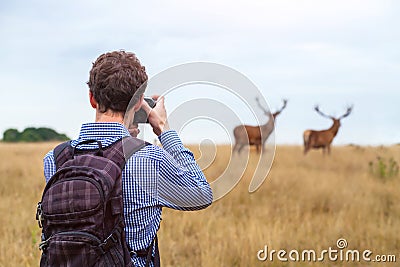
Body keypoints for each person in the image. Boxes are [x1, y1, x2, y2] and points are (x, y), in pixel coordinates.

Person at [43, 50, 213, 266]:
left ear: (92, 98)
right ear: (139, 101)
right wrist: (163, 129)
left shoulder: (56, 159)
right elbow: (201, 194)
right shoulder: (148, 158)